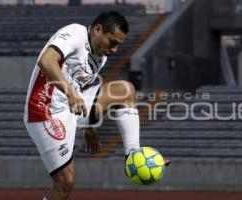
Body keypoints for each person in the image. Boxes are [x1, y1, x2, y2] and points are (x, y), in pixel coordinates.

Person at [24, 11, 150, 200]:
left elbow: (79, 87)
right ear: (97, 30)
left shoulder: (101, 56)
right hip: (44, 111)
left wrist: (88, 126)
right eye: (112, 42)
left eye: (118, 45)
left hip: (70, 105)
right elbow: (46, 61)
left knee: (126, 91)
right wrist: (70, 93)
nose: (114, 50)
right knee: (65, 182)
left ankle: (133, 156)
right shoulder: (75, 33)